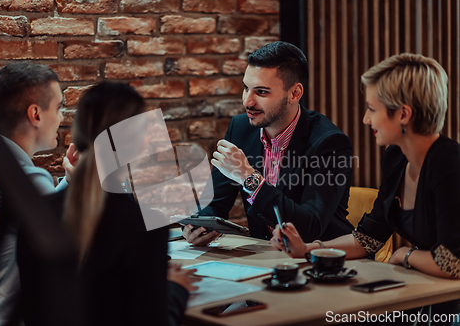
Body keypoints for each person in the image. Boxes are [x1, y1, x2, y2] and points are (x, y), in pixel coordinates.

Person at [17, 82, 199, 326]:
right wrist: (176, 289)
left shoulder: (37, 214)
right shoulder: (143, 224)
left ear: (77, 136)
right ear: (141, 145)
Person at [271, 53, 460, 280]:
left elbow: (453, 263)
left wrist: (405, 254)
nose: (365, 119)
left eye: (372, 109)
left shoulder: (448, 164)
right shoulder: (396, 158)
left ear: (403, 114)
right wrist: (308, 249)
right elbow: (368, 239)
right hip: (426, 287)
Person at [183, 41, 354, 245]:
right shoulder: (240, 128)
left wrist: (249, 177)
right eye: (246, 88)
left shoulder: (329, 143)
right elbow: (214, 203)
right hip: (263, 257)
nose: (248, 101)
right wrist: (198, 226)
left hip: (318, 261)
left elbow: (309, 227)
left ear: (294, 94)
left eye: (261, 92)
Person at [0, 62, 78, 325]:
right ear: (36, 115)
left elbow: (43, 209)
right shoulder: (30, 178)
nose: (62, 117)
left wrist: (70, 181)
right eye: (59, 107)